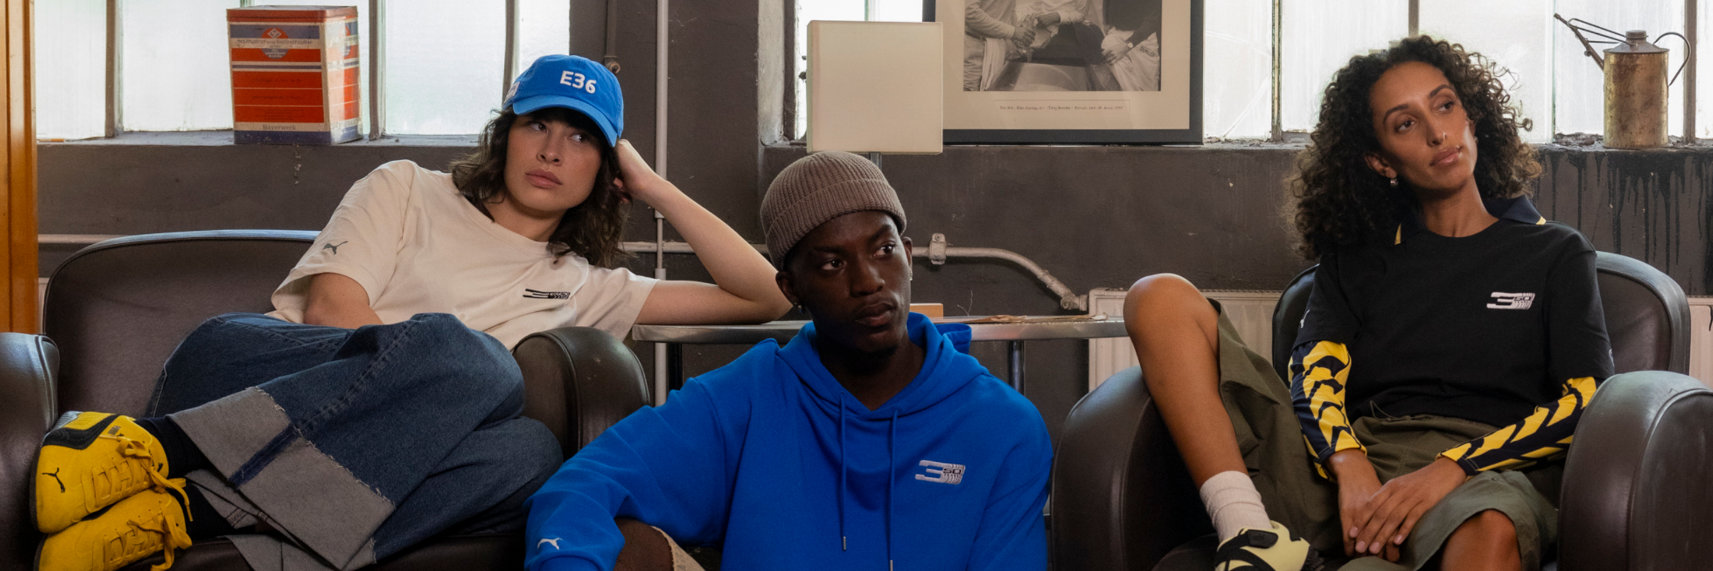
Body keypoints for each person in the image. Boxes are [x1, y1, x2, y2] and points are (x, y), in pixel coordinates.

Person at [33, 54, 789, 571]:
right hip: (246, 374)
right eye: (538, 124)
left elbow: (764, 294)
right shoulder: (406, 186)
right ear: (506, 133)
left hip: (356, 461)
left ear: (607, 169)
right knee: (480, 362)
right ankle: (150, 446)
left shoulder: (585, 283)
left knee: (526, 455)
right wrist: (437, 390)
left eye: (581, 137)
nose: (553, 149)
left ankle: (179, 518)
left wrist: (655, 188)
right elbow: (333, 309)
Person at [1122, 36, 1611, 570]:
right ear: (1382, 162)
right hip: (1348, 466)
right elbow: (1313, 373)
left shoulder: (1555, 252)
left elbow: (1586, 398)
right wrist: (1349, 465)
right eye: (1405, 124)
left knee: (1491, 527)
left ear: (1472, 117)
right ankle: (1248, 532)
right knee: (1157, 296)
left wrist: (1452, 468)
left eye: (1445, 105)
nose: (1437, 132)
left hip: (1480, 476)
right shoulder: (1355, 259)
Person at [524, 151, 1053, 571]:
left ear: (909, 257)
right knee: (623, 546)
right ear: (791, 287)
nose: (868, 280)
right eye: (831, 263)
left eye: (883, 250)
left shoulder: (1002, 426)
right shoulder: (747, 397)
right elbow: (582, 486)